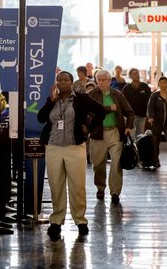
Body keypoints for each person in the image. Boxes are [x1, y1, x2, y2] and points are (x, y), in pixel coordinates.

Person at [37, 71, 105, 241]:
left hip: (74, 148)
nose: (62, 82)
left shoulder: (81, 99)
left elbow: (100, 111)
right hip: (53, 147)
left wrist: (88, 127)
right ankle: (56, 221)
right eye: (59, 80)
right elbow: (40, 118)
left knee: (77, 185)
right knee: (56, 185)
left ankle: (80, 221)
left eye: (66, 80)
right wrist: (50, 102)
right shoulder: (52, 100)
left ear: (72, 82)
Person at [89, 70, 134, 204]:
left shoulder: (118, 95)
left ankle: (115, 192)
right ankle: (100, 187)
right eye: (99, 80)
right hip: (97, 133)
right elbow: (90, 112)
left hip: (115, 132)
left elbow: (130, 112)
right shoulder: (91, 95)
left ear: (110, 81)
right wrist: (109, 108)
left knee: (116, 163)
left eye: (104, 80)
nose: (101, 82)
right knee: (98, 164)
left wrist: (129, 126)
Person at [122, 68, 151, 140]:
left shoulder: (145, 86)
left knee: (140, 135)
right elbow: (122, 101)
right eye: (134, 73)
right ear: (130, 76)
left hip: (142, 115)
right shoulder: (126, 88)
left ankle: (139, 150)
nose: (136, 75)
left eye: (137, 73)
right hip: (131, 116)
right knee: (131, 136)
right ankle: (132, 151)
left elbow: (150, 101)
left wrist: (149, 114)